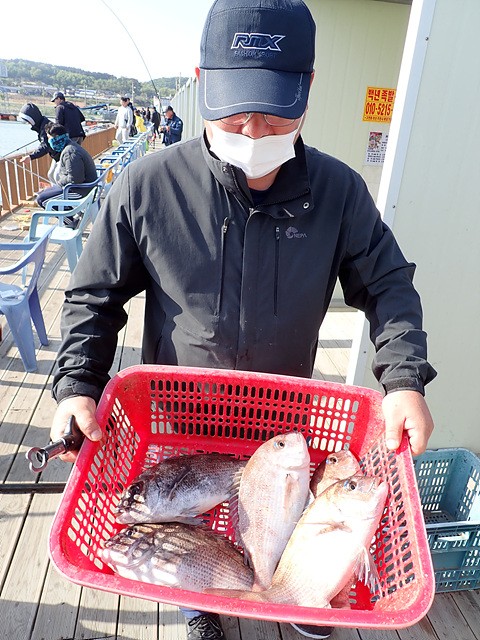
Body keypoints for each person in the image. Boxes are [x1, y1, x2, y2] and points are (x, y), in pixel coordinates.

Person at [50, 1, 436, 639]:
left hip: (281, 418)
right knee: (188, 530)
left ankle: (303, 594)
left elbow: (387, 283)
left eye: (275, 113)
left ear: (307, 89)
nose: (254, 133)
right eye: (233, 113)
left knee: (286, 514)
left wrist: (403, 379)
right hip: (179, 417)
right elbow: (94, 295)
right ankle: (200, 605)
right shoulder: (147, 186)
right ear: (202, 82)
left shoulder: (339, 192)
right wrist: (76, 386)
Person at [35, 123, 97, 212]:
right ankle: (72, 214)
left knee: (42, 199)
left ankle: (69, 218)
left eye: (49, 138)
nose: (48, 141)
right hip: (84, 187)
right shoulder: (71, 146)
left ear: (56, 137)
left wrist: (60, 182)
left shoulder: (70, 152)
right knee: (44, 193)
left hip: (81, 191)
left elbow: (75, 179)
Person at [17, 102, 59, 168]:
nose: (28, 123)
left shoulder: (46, 127)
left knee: (57, 174)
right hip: (57, 155)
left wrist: (31, 157)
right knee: (51, 173)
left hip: (62, 155)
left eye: (28, 121)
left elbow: (45, 146)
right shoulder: (43, 124)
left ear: (33, 119)